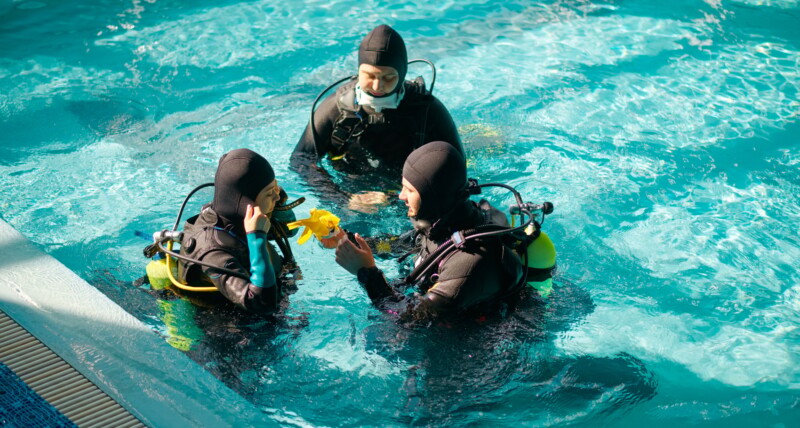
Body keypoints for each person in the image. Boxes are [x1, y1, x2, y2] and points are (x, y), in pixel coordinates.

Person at [334, 141, 526, 324]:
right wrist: (348, 240)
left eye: (409, 190)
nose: (401, 196)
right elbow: (400, 245)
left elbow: (406, 318)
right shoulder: (443, 219)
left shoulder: (470, 262)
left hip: (472, 343)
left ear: (432, 196)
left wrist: (367, 273)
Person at [291, 24, 463, 211]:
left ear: (402, 73)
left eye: (388, 77)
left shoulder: (426, 109)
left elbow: (456, 164)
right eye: (369, 75)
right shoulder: (336, 108)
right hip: (351, 187)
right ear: (358, 71)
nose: (377, 85)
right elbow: (301, 159)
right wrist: (343, 198)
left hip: (408, 194)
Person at [176, 149, 295, 313]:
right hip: (229, 328)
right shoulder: (212, 251)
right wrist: (257, 238)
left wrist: (277, 201)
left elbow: (290, 231)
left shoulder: (239, 216)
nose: (276, 197)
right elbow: (262, 304)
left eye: (276, 188)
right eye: (270, 193)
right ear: (246, 201)